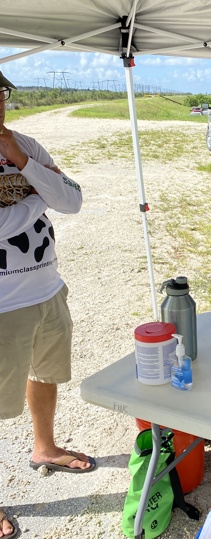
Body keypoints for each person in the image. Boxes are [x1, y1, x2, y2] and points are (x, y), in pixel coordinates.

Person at [0, 71, 95, 538]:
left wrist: (25, 165)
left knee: (46, 373)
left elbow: (72, 201)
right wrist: (39, 198)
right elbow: (43, 206)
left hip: (47, 289)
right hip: (2, 307)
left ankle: (45, 447)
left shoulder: (26, 144)